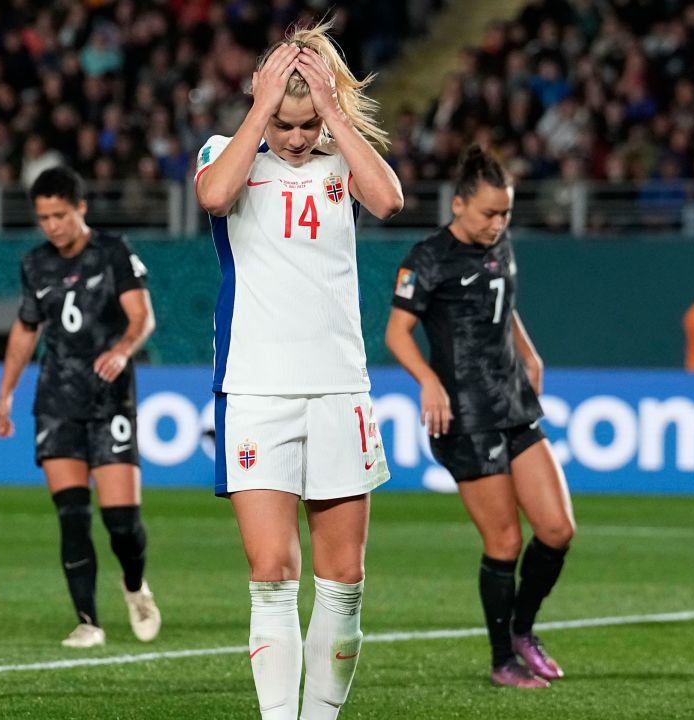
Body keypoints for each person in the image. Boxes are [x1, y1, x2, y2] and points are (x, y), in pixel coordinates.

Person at [194, 22, 403, 720]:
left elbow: (391, 201)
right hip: (255, 392)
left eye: (305, 121)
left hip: (340, 388)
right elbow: (213, 199)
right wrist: (259, 110)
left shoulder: (343, 159)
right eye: (284, 123)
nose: (293, 137)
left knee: (343, 581)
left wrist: (336, 117)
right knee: (272, 576)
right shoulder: (226, 152)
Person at [385, 146, 576, 689]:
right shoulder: (426, 259)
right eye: (489, 213)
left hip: (513, 401)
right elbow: (396, 334)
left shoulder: (500, 244)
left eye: (506, 214)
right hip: (466, 415)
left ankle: (523, 629)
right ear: (459, 203)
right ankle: (501, 661)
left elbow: (503, 303)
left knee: (558, 530)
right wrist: (429, 382)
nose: (498, 223)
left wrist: (529, 351)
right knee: (505, 544)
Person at [0, 166, 161, 649]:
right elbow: (26, 330)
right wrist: (5, 394)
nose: (52, 226)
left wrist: (124, 349)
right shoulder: (35, 265)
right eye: (44, 217)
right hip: (57, 402)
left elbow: (141, 316)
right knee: (71, 515)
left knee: (122, 523)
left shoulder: (113, 252)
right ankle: (88, 621)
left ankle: (134, 586)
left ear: (80, 208)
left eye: (60, 215)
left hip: (110, 400)